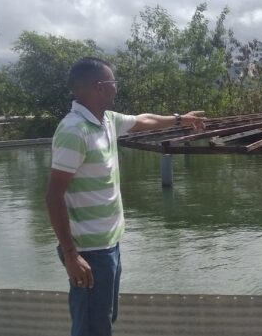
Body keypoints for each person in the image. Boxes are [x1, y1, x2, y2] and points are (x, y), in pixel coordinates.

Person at [45, 57, 205, 336]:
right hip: (88, 251)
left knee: (103, 319)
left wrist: (181, 119)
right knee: (92, 327)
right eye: (113, 83)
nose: (116, 89)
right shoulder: (74, 131)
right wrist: (71, 255)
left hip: (108, 246)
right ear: (98, 87)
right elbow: (53, 195)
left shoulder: (106, 121)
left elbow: (145, 120)